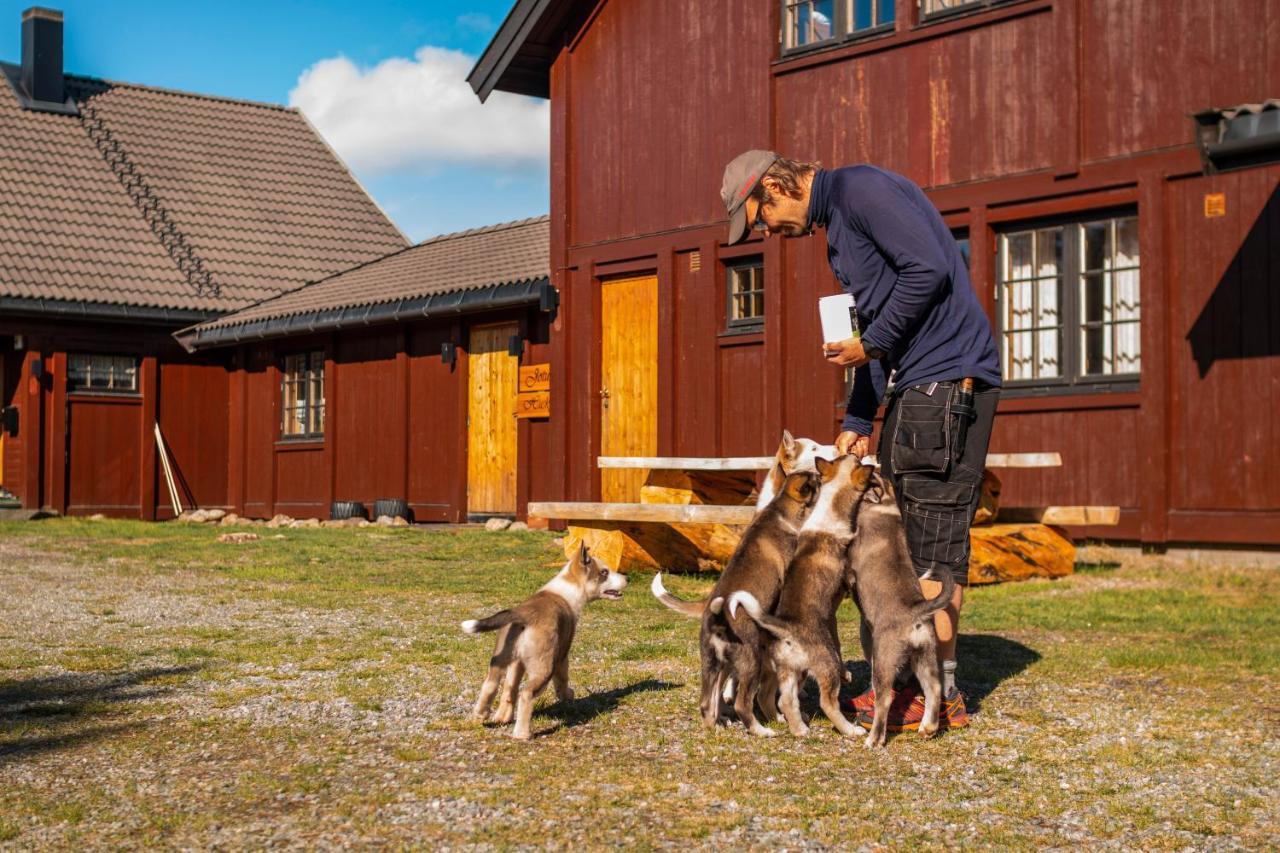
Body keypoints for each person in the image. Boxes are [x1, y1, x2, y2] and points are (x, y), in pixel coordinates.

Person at [719, 150, 1001, 731]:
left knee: (931, 550)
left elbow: (928, 269)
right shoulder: (839, 230)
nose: (767, 232)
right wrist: (857, 417)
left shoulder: (862, 192)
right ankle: (904, 687)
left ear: (775, 184)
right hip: (916, 388)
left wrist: (870, 346)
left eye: (761, 217)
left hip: (945, 383)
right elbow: (872, 328)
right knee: (901, 545)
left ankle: (938, 696)